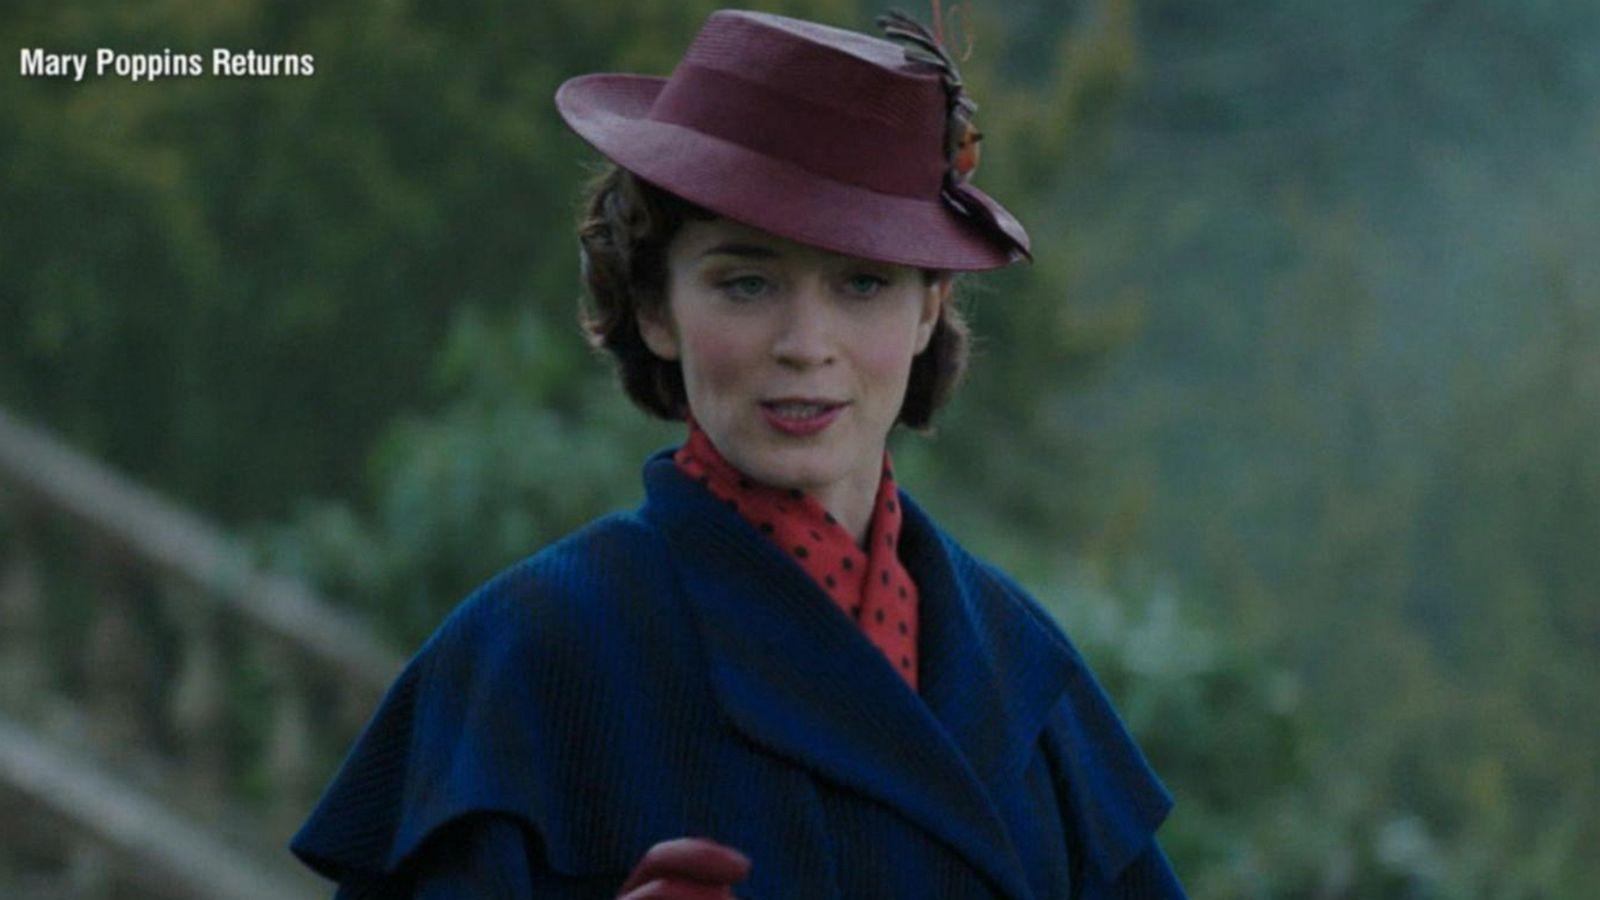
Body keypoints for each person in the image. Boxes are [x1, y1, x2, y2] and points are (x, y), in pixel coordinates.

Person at [291, 8, 1184, 898]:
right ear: (656, 307)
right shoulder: (528, 657)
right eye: (747, 283)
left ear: (927, 308)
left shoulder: (1022, 669)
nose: (806, 345)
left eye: (863, 282)